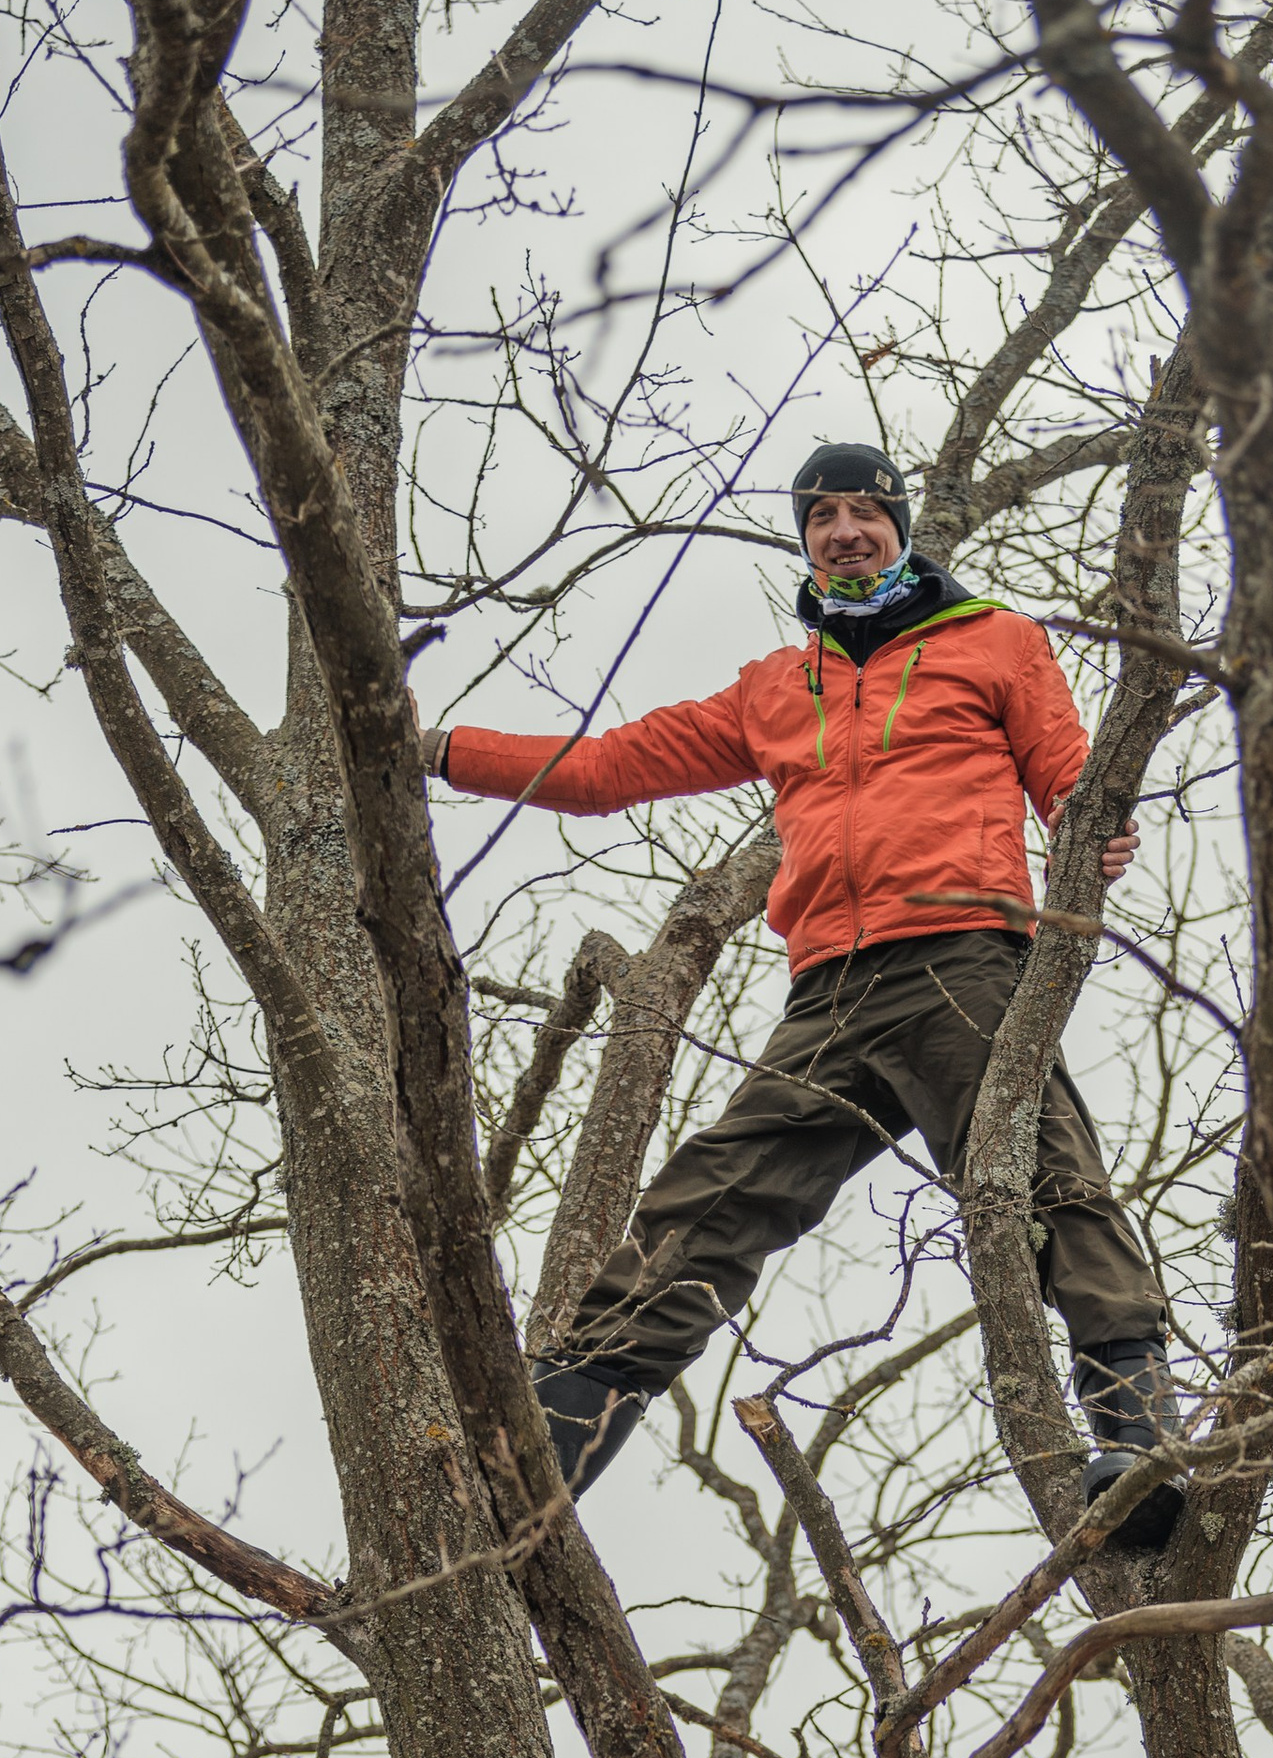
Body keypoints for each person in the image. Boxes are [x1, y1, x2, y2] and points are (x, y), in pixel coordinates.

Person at [420, 437, 1186, 1545]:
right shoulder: (779, 687)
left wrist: (1094, 830)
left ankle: (1136, 1434)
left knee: (1042, 1181)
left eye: (865, 511)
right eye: (821, 516)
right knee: (708, 1202)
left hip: (961, 955)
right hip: (826, 994)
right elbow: (602, 771)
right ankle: (540, 1459)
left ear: (900, 525)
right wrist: (438, 748)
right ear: (805, 541)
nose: (844, 530)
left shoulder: (994, 641)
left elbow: (1071, 776)